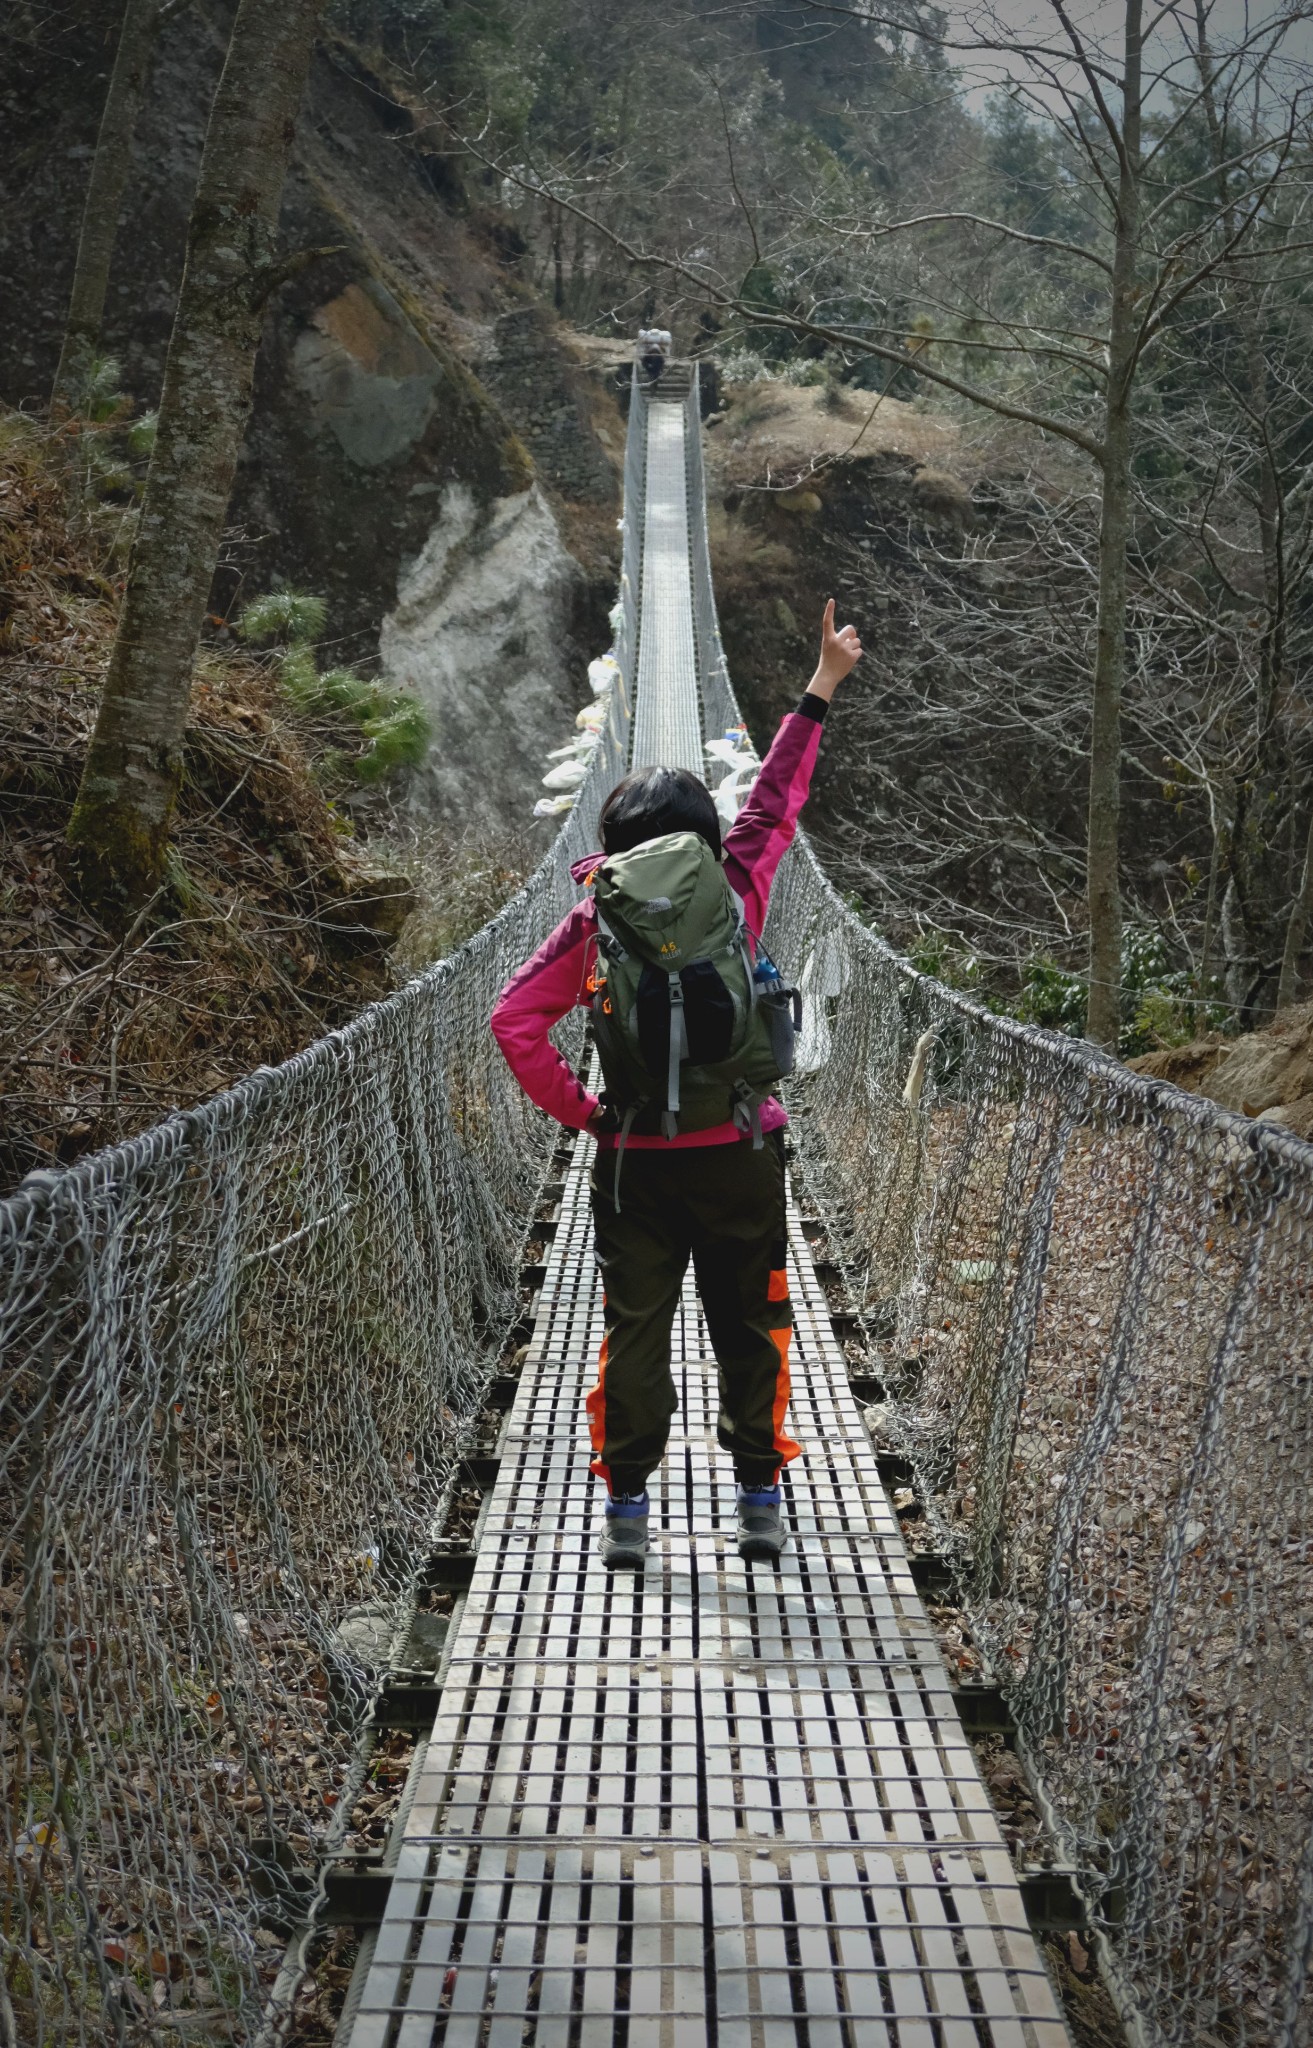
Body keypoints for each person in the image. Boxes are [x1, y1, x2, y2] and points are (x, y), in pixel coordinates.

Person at [491, 601, 863, 1568]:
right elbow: (776, 797)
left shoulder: (593, 918)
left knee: (634, 1330)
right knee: (752, 1321)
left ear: (612, 838)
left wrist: (586, 1115)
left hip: (635, 1162)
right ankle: (758, 1501)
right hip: (741, 1149)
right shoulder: (735, 883)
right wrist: (820, 686)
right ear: (703, 831)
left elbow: (513, 1020)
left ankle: (625, 1513)